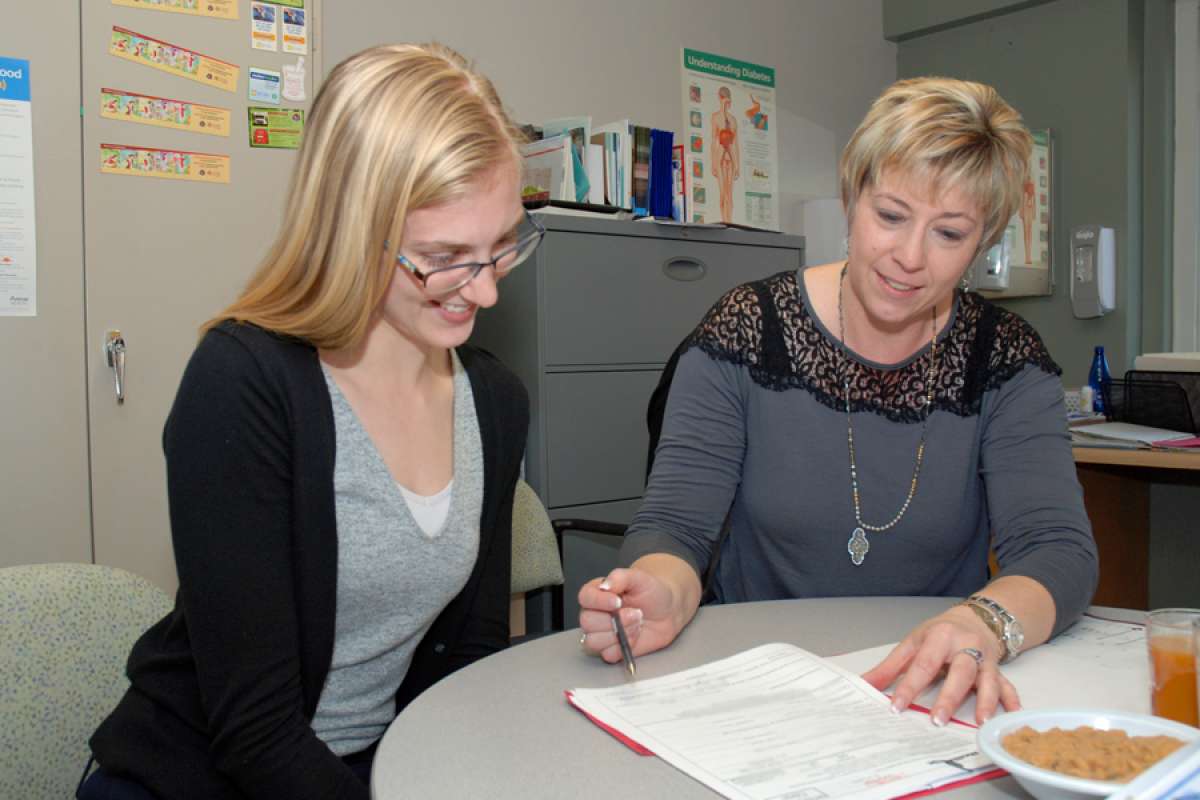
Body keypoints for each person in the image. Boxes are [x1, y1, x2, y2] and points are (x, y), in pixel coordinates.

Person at [80, 43, 539, 800]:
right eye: (447, 256)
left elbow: (469, 657)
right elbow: (255, 733)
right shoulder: (244, 383)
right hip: (199, 779)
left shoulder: (494, 401)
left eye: (502, 248)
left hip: (368, 767)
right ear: (357, 231)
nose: (485, 293)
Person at [579, 77, 1097, 727]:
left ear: (982, 242)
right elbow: (677, 530)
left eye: (949, 233)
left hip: (924, 691)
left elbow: (1058, 551)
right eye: (890, 216)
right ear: (851, 197)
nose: (909, 258)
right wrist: (660, 587)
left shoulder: (1004, 358)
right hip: (757, 686)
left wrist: (984, 621)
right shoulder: (747, 330)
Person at [710, 85, 740, 223]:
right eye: (724, 100)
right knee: (723, 194)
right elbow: (713, 140)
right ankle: (724, 221)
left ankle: (730, 222)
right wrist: (713, 163)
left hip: (731, 158)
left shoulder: (733, 120)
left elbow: (736, 143)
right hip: (720, 159)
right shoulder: (716, 117)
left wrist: (738, 165)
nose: (726, 102)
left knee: (730, 195)